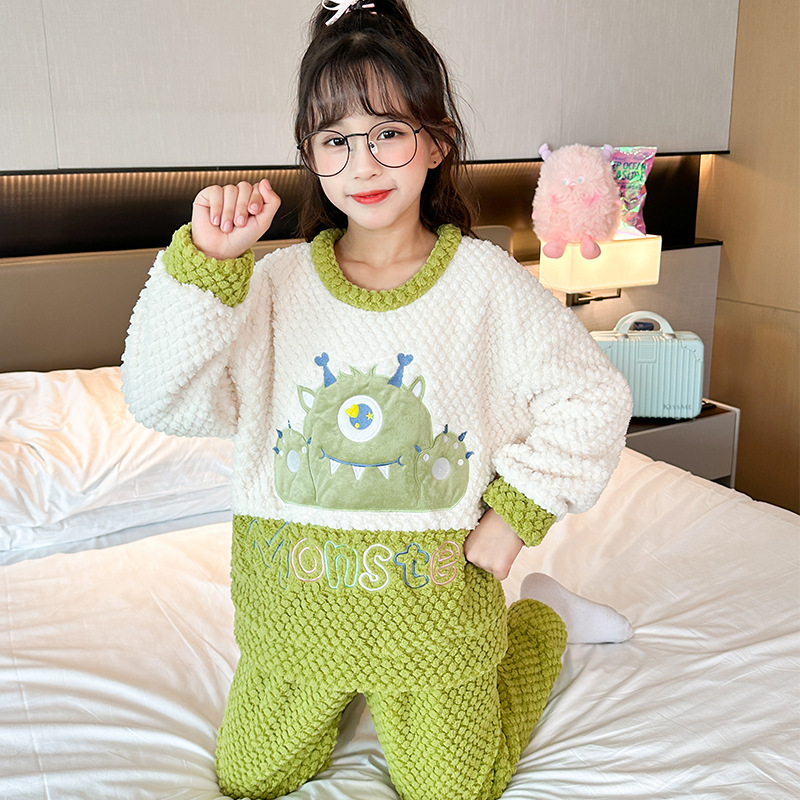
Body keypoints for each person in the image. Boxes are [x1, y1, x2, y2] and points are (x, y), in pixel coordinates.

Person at [122, 1, 633, 798]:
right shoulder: (271, 285)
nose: (363, 166)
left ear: (437, 142)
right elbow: (161, 398)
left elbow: (593, 397)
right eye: (336, 141)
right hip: (293, 620)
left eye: (388, 133)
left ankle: (545, 620)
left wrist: (515, 515)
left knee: (455, 790)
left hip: (434, 621)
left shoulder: (485, 284)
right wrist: (207, 266)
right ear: (310, 154)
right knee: (250, 779)